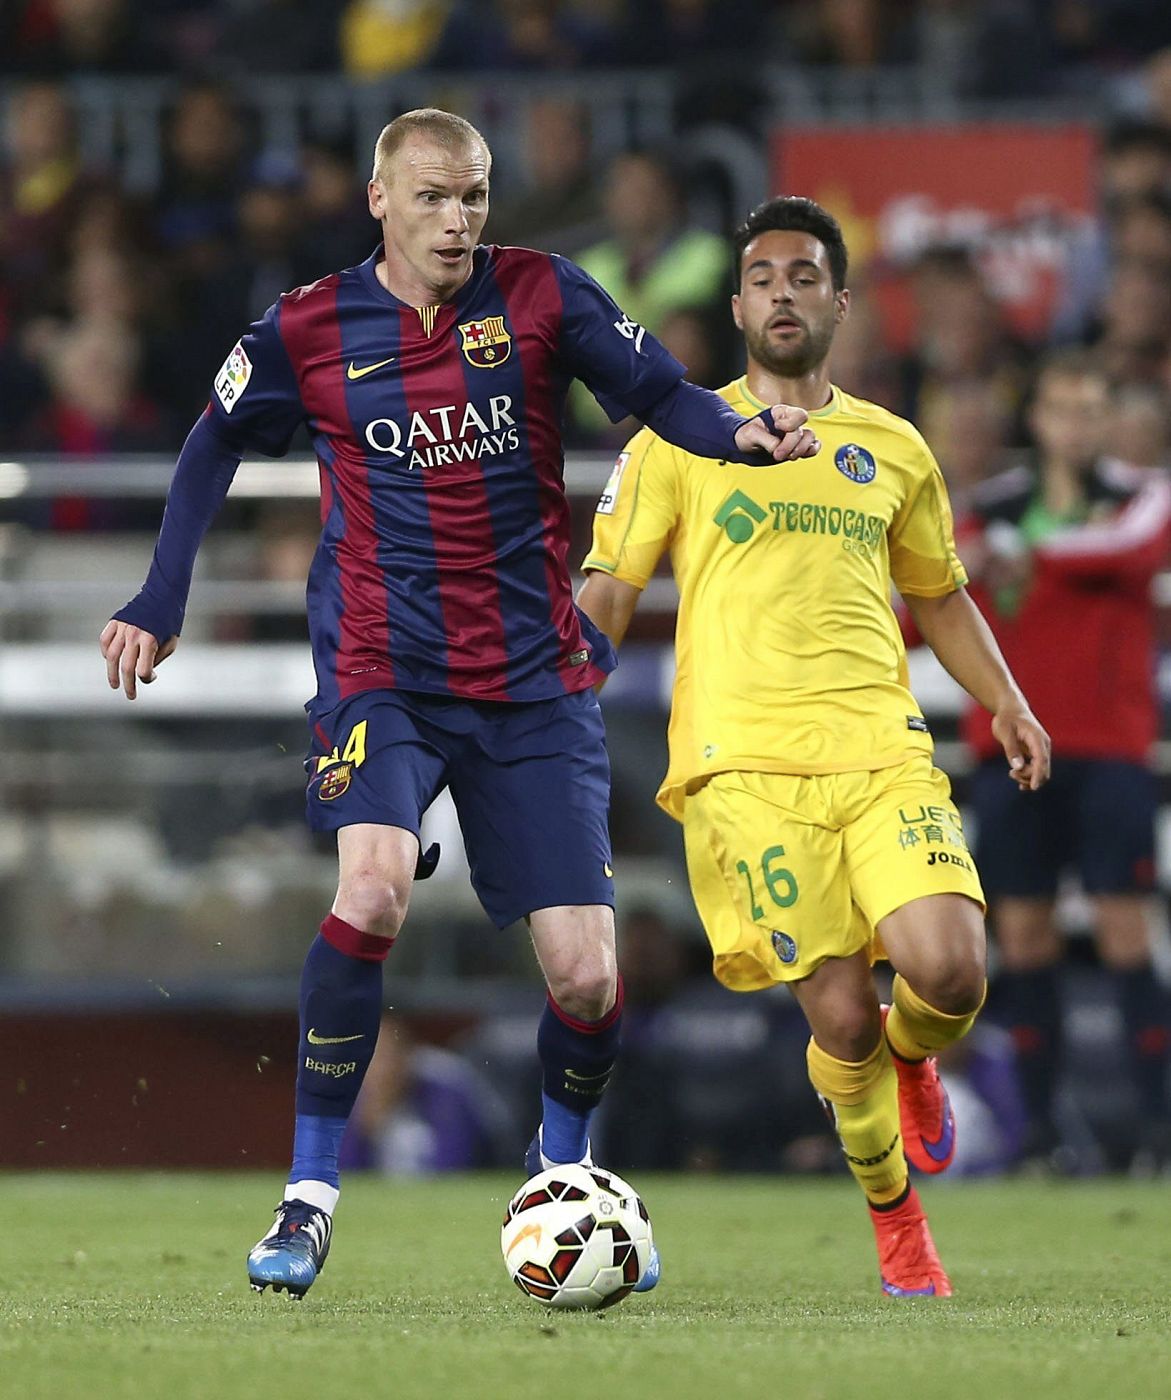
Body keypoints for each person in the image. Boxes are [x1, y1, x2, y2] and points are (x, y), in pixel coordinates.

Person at [98, 108, 819, 1300]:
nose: (458, 219)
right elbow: (209, 444)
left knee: (586, 979)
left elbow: (661, 394)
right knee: (374, 882)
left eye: (475, 196)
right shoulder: (309, 324)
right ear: (380, 200)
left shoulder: (542, 294)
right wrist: (161, 595)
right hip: (385, 666)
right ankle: (310, 1195)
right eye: (433, 197)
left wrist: (745, 434)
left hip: (534, 681)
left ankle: (564, 1179)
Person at [578, 196, 1051, 1297]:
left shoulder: (892, 446)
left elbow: (939, 595)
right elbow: (606, 588)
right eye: (761, 276)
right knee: (841, 1014)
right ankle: (896, 1219)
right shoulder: (678, 433)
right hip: (743, 770)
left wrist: (1010, 701)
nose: (781, 291)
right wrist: (550, 696)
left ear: (839, 302)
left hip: (881, 747)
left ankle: (918, 1057)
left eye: (804, 275)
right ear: (737, 302)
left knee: (949, 967)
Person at [960, 348, 1171, 1172]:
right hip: (1011, 750)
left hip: (1107, 749)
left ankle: (1155, 1132)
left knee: (1124, 933)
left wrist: (1022, 553)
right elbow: (938, 593)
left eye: (1091, 409)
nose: (1076, 424)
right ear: (1038, 419)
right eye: (1063, 408)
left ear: (1107, 420)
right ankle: (1038, 1136)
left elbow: (1129, 549)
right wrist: (991, 552)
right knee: (1022, 938)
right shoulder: (991, 508)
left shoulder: (1137, 496)